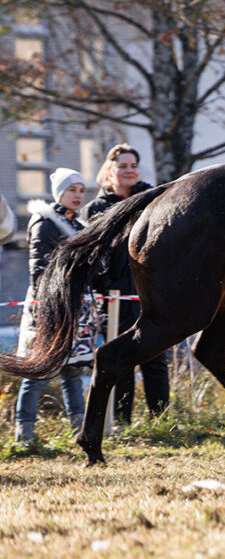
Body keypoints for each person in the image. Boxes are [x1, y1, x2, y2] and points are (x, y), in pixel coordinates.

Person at [86, 143, 170, 424]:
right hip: (115, 295)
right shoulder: (97, 208)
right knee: (122, 360)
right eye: (123, 166)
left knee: (156, 359)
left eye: (133, 166)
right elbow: (93, 256)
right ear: (110, 169)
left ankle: (161, 421)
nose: (129, 171)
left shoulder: (152, 198)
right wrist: (105, 285)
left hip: (152, 291)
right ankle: (123, 423)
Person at [14, 169, 90, 447]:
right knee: (38, 371)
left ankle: (80, 433)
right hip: (48, 308)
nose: (78, 195)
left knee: (72, 372)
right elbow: (39, 269)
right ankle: (24, 438)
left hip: (77, 308)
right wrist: (51, 305)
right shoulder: (44, 223)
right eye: (72, 190)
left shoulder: (80, 227)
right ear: (59, 192)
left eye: (81, 190)